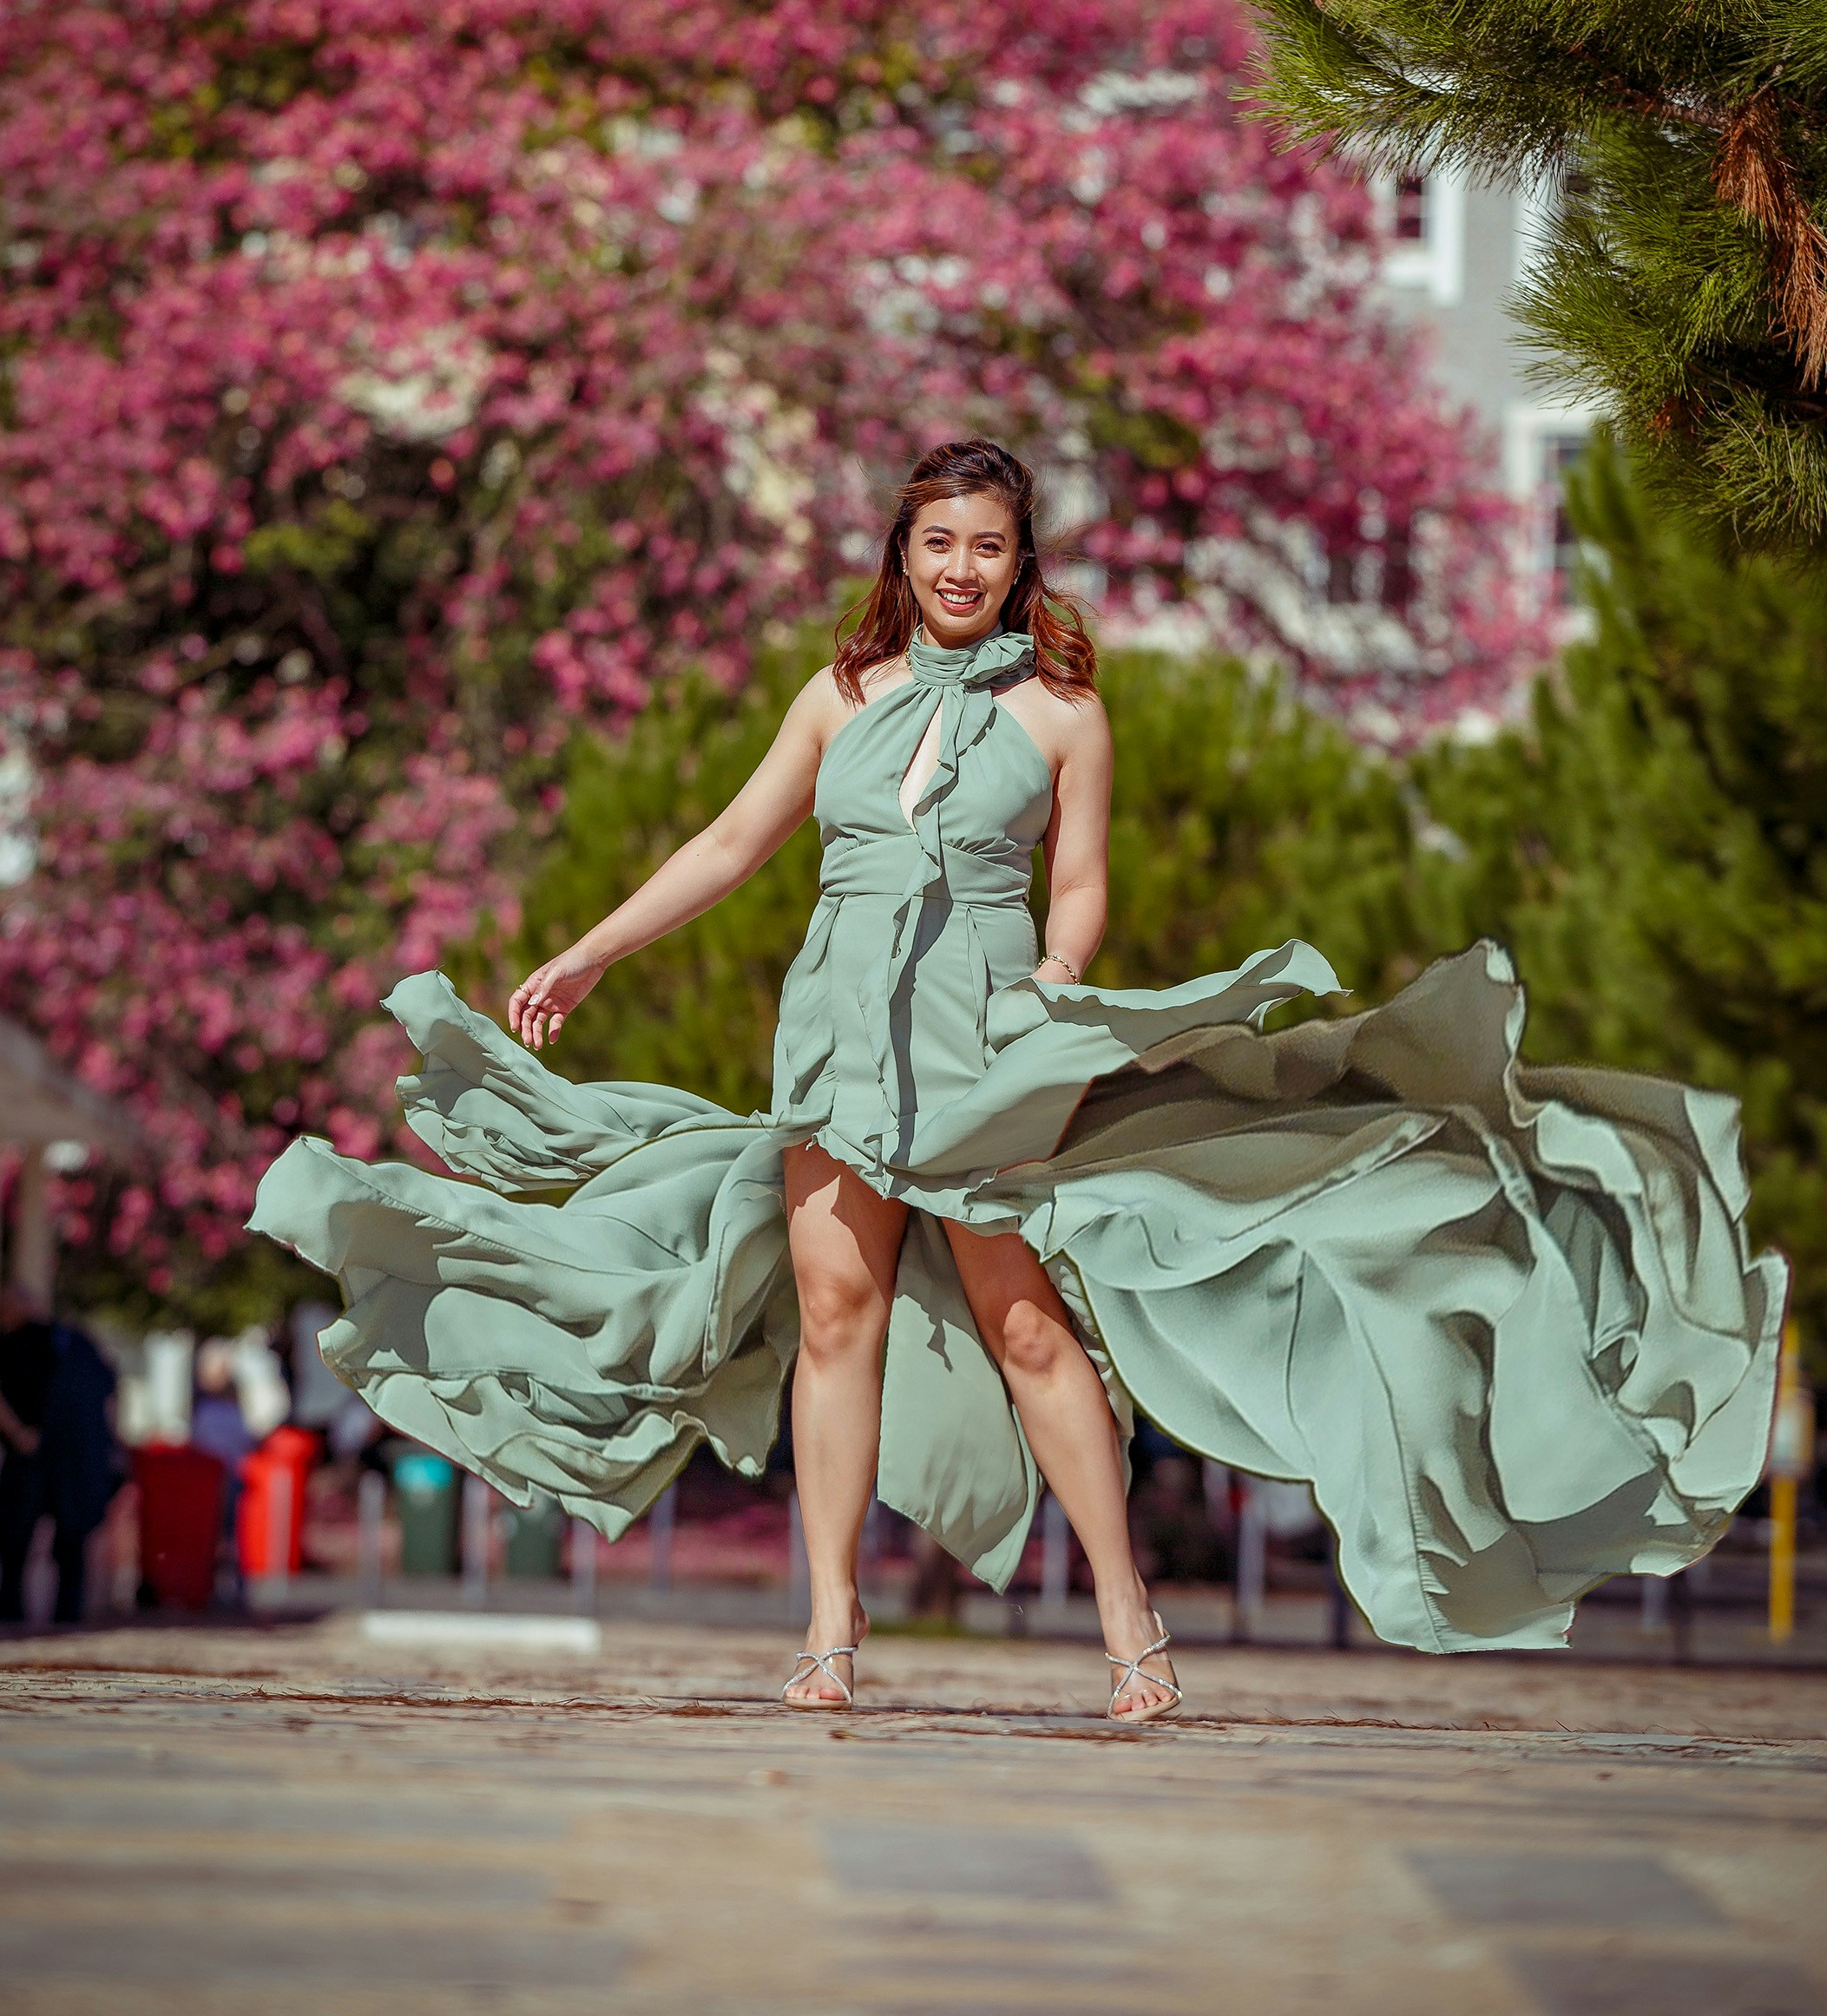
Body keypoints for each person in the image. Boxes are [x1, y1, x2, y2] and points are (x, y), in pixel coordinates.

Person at [252, 438, 1784, 1717]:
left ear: (1020, 559)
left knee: (1032, 1327)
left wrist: (1055, 990)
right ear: (902, 555)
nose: (962, 567)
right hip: (840, 1033)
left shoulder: (1064, 712)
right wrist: (590, 951)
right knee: (835, 1320)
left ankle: (1131, 1622)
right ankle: (833, 1631)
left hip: (983, 1043)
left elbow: (1085, 889)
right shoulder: (837, 694)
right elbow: (732, 844)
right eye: (939, 542)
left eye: (987, 544)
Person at [0, 1283, 119, 1626]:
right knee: (70, 1540)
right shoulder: (75, 1342)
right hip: (75, 1455)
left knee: (16, 1539)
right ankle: (68, 1615)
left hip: (33, 1455)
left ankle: (13, 1613)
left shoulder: (14, 1344)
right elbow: (109, 1393)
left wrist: (18, 1434)